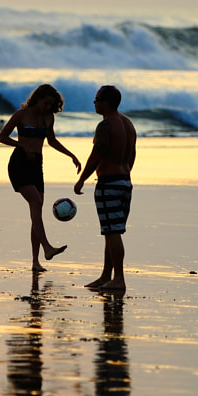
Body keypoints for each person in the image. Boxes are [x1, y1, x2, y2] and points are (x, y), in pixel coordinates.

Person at [0, 84, 82, 272]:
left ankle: (36, 262)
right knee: (36, 203)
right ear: (37, 99)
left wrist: (71, 155)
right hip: (19, 164)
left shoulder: (49, 117)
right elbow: (2, 137)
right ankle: (47, 247)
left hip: (37, 165)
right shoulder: (21, 115)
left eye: (51, 105)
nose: (47, 107)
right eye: (45, 103)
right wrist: (21, 146)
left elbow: (51, 140)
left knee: (36, 211)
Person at [74, 85, 137, 291]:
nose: (95, 102)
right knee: (111, 232)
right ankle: (105, 276)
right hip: (125, 182)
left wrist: (82, 179)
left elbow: (96, 155)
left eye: (97, 99)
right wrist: (124, 178)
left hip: (109, 183)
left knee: (113, 232)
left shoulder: (106, 125)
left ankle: (118, 278)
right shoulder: (128, 124)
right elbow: (131, 156)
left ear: (107, 102)